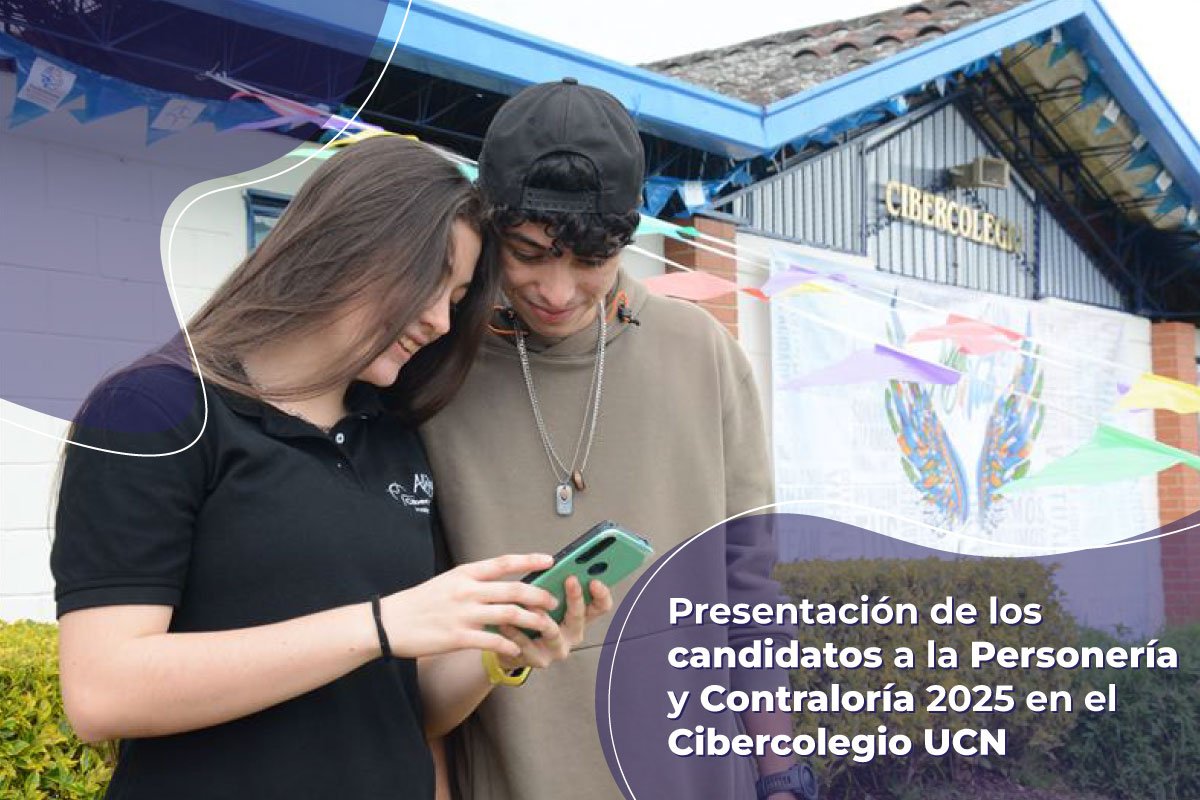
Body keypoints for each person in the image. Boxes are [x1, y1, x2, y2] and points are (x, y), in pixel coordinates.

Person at [50, 135, 611, 800]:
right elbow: (103, 690)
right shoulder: (154, 409)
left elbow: (405, 706)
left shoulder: (393, 440)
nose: (438, 321)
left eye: (457, 299)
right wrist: (378, 623)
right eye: (430, 284)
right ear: (345, 247)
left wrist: (496, 650)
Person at [421, 80, 804, 800]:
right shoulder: (436, 366)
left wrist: (780, 772)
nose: (557, 289)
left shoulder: (703, 352)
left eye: (590, 260)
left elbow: (750, 588)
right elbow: (410, 640)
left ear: (627, 240)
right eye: (528, 252)